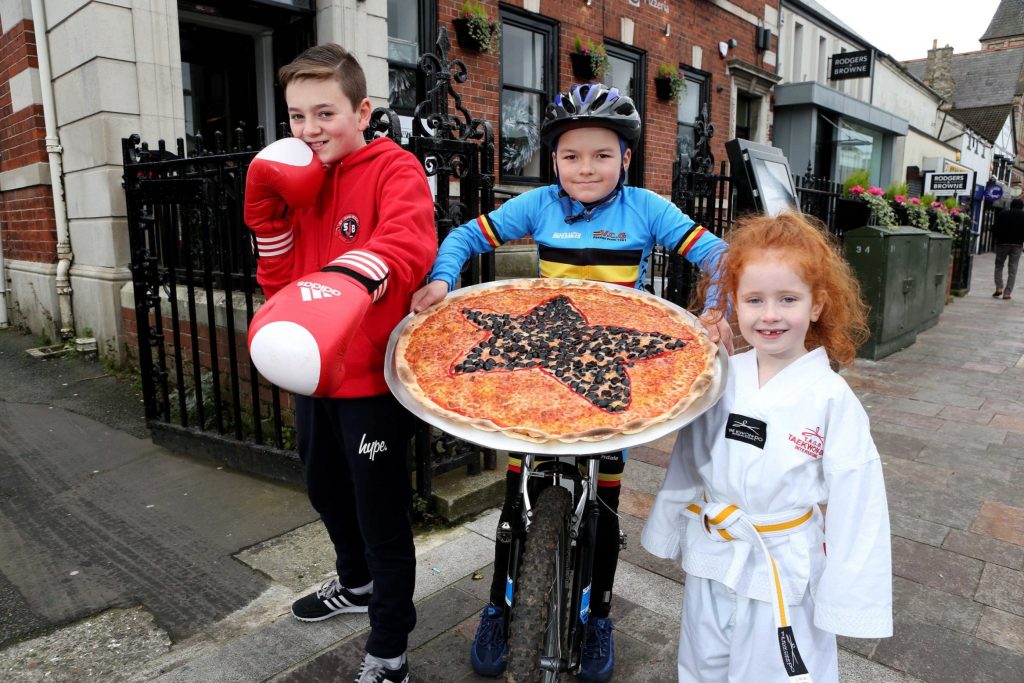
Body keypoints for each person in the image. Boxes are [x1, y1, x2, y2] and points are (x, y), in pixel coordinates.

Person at [410, 83, 731, 682]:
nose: (587, 168)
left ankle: (600, 613)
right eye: (572, 156)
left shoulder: (647, 208)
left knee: (605, 505)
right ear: (554, 159)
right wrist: (443, 279)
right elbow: (463, 236)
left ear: (626, 158)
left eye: (602, 155)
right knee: (514, 497)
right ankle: (498, 608)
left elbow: (719, 257)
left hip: (609, 372)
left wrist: (715, 311)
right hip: (539, 374)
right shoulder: (538, 206)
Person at [245, 44, 436, 683]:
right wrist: (268, 222)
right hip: (314, 374)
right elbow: (281, 283)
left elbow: (407, 245)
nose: (309, 129)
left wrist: (351, 281)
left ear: (362, 110)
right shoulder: (299, 176)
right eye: (297, 116)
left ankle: (389, 646)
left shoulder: (395, 168)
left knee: (379, 509)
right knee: (324, 488)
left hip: (371, 379)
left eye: (324, 112)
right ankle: (354, 584)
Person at [641, 212, 892, 682]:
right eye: (754, 299)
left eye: (788, 299)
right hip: (715, 550)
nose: (770, 314)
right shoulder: (722, 375)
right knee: (701, 662)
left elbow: (858, 500)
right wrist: (667, 526)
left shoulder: (831, 398)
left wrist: (847, 596)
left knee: (774, 673)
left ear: (817, 305)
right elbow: (689, 458)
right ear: (733, 302)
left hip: (783, 561)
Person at [992, 198, 1024, 300]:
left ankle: (999, 287)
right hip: (1017, 245)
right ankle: (1007, 293)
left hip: (1002, 243)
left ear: (1011, 205)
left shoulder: (1003, 214)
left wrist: (997, 238)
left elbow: (995, 228)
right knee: (1013, 269)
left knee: (999, 265)